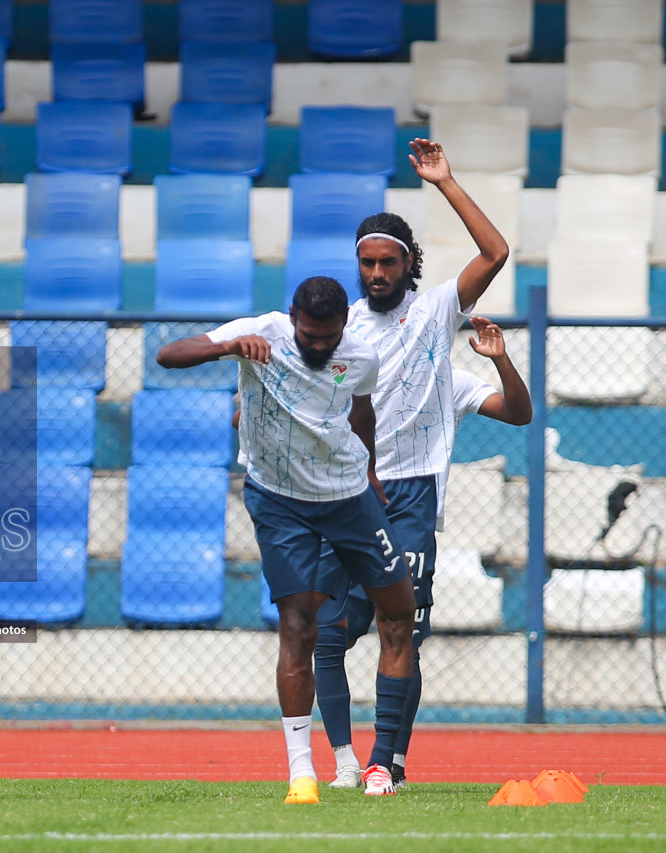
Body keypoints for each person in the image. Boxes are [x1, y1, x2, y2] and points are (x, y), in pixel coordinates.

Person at [156, 277, 418, 802]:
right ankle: (302, 773)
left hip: (348, 498)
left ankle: (383, 766)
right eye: (308, 336)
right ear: (294, 317)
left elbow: (361, 413)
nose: (318, 347)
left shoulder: (361, 357)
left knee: (399, 613)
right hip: (279, 501)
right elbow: (168, 355)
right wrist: (228, 347)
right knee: (298, 626)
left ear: (345, 323)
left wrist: (368, 473)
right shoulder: (261, 332)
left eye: (328, 338)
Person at [313, 138, 512, 792]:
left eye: (386, 262)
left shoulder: (433, 313)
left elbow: (495, 253)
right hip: (349, 493)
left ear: (406, 264)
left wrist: (446, 183)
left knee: (404, 627)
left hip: (411, 495)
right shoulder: (340, 336)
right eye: (366, 263)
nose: (375, 273)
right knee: (334, 631)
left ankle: (386, 761)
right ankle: (350, 760)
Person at [317, 318, 531, 789]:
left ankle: (388, 761)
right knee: (327, 638)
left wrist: (500, 359)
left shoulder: (449, 380)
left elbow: (518, 413)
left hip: (410, 517)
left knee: (403, 641)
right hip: (351, 512)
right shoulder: (357, 368)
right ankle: (345, 764)